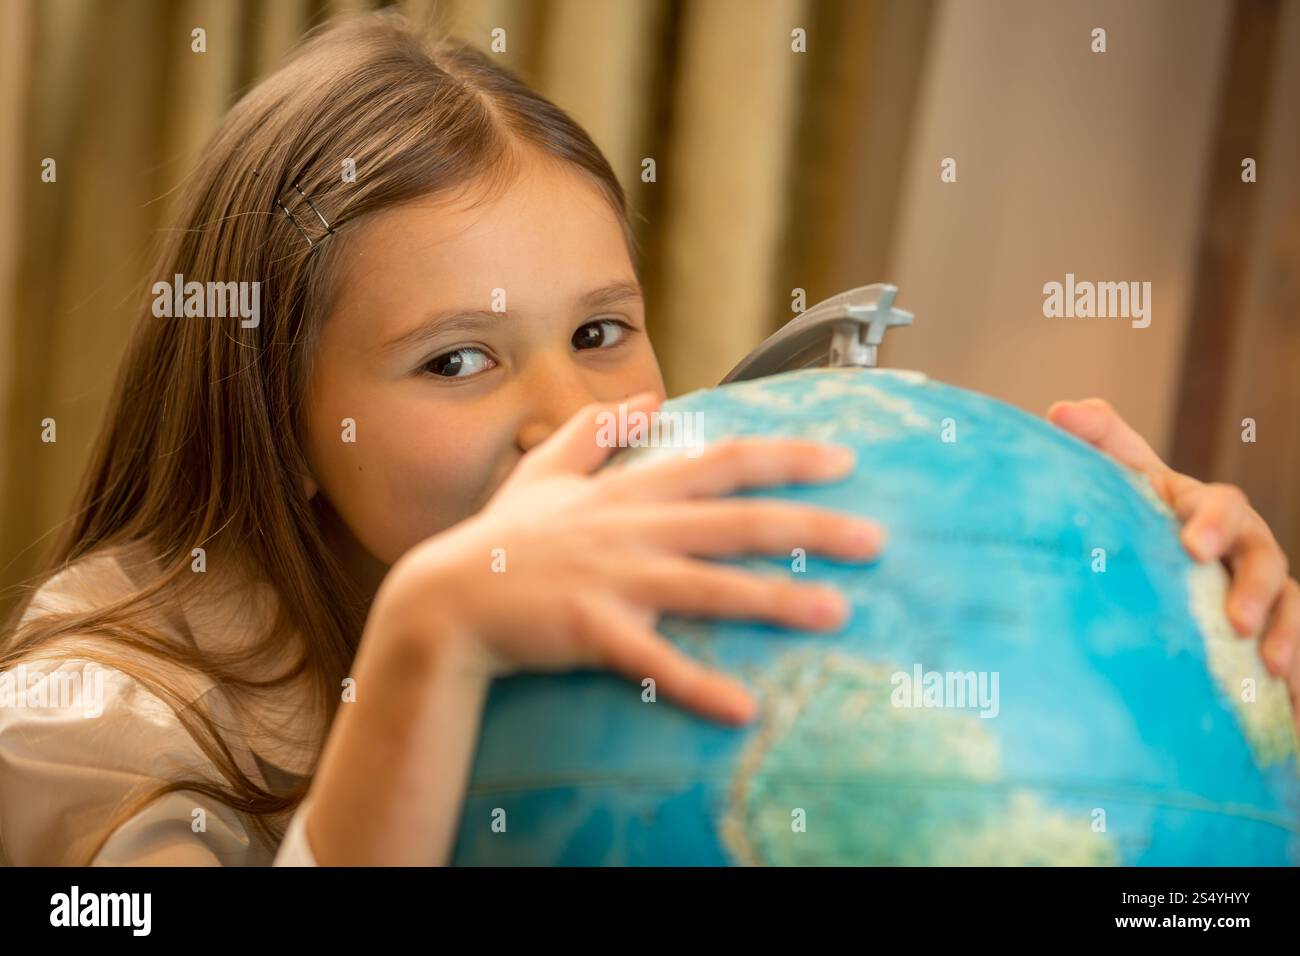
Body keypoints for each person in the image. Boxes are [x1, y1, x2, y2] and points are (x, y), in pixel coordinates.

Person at [2, 11, 1295, 866]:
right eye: (458, 360)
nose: (570, 419)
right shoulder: (80, 725)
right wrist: (426, 656)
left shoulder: (678, 571)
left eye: (603, 333)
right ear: (279, 421)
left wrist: (1161, 619)